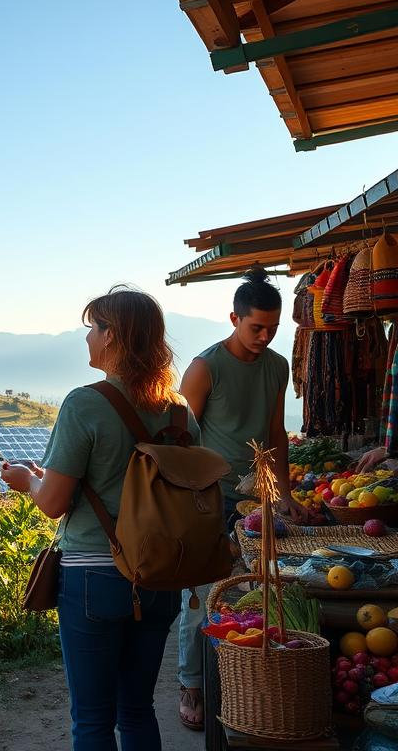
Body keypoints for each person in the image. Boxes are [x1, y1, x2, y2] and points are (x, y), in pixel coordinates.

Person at [1, 286, 200, 751]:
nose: (88, 338)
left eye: (93, 328)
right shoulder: (178, 411)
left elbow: (52, 503)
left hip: (95, 575)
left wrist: (27, 481)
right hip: (161, 576)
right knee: (137, 711)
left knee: (91, 719)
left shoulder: (85, 403)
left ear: (113, 337)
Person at [175, 267, 311, 730]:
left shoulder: (276, 366)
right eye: (256, 327)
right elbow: (177, 441)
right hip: (207, 500)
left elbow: (275, 433)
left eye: (273, 329)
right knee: (200, 596)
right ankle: (191, 683)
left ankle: (242, 681)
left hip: (257, 503)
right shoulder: (205, 367)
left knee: (253, 595)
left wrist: (284, 494)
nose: (265, 336)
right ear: (233, 318)